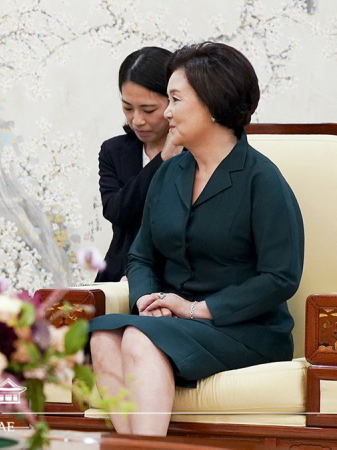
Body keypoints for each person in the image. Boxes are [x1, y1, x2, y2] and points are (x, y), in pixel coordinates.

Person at [87, 42, 304, 436]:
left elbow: (280, 277)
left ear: (213, 103)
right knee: (103, 335)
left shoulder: (262, 179)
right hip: (173, 320)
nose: (166, 112)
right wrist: (147, 300)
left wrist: (195, 309)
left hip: (245, 330)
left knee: (135, 337)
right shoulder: (170, 173)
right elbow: (141, 257)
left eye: (174, 99)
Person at [96, 46, 183, 282]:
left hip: (176, 281)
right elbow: (117, 211)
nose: (137, 120)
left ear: (173, 101)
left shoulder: (195, 152)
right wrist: (162, 159)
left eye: (148, 109)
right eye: (127, 108)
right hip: (118, 275)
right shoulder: (114, 151)